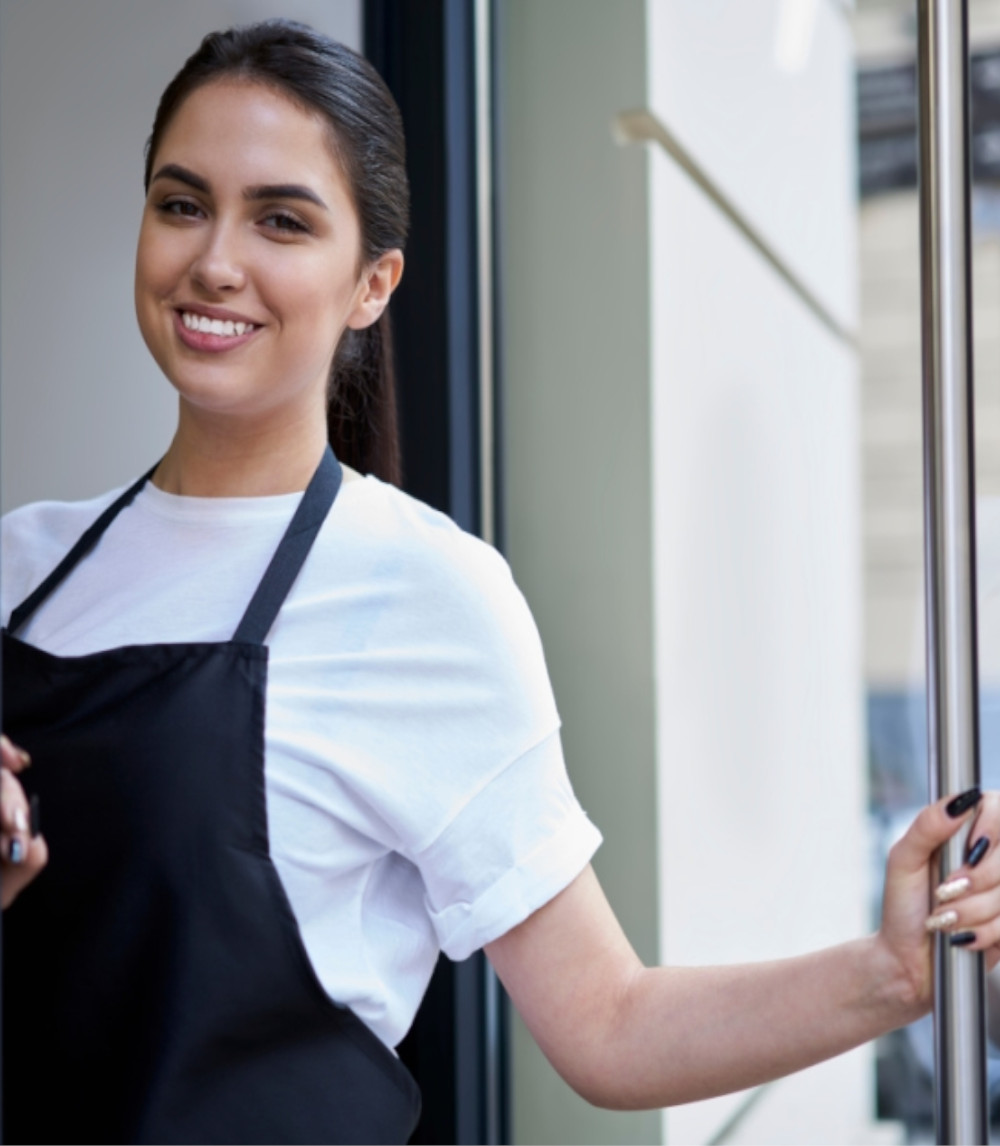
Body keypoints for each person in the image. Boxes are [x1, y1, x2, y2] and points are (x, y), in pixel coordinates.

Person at [2, 18, 999, 1146]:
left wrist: (890, 973)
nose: (214, 260)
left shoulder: (427, 596)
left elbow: (610, 1027)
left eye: (281, 219)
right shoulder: (20, 567)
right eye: (181, 204)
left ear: (373, 284)